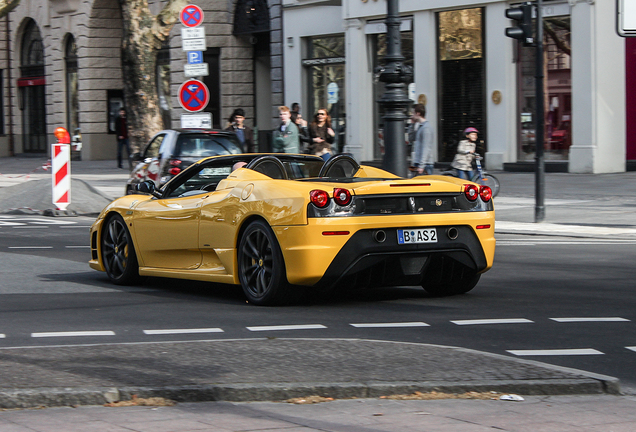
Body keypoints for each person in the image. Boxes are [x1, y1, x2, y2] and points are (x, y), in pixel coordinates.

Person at [409, 104, 434, 176]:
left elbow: (426, 147)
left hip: (425, 164)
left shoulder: (426, 128)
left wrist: (421, 166)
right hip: (418, 162)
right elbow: (411, 138)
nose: (412, 116)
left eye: (413, 113)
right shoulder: (420, 127)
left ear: (418, 113)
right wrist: (412, 124)